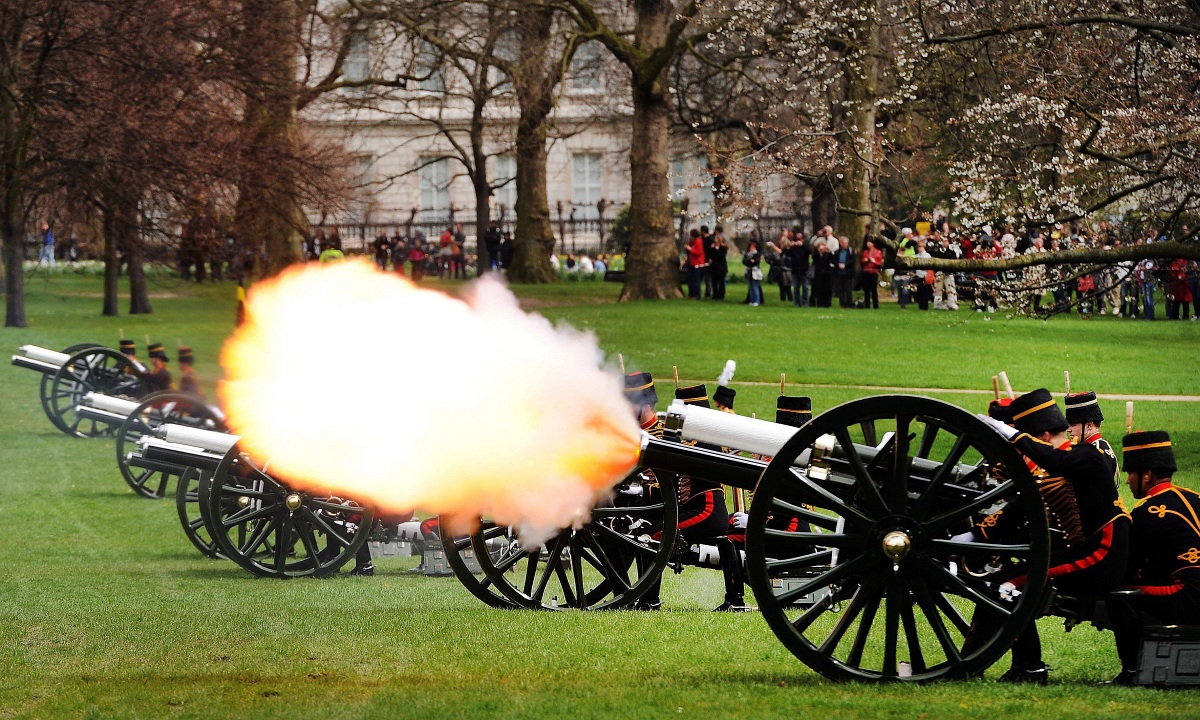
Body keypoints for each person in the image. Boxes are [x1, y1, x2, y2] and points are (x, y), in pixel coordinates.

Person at [972, 389, 1130, 684]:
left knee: (1009, 584)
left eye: (1031, 439)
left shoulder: (1089, 456)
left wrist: (1010, 433)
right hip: (1085, 552)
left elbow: (1056, 461)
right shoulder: (1064, 462)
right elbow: (1025, 504)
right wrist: (970, 535)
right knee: (1006, 578)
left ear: (1042, 436)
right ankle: (980, 661)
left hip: (1101, 556)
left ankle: (1029, 667)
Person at [1106, 431, 1200, 685]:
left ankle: (1132, 671)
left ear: (1146, 475)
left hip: (1190, 594)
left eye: (1130, 474)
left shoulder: (1148, 511)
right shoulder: (1194, 497)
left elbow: (1126, 567)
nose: (1127, 481)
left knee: (1119, 592)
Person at [1064, 391, 1119, 488]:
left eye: (1073, 424)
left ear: (1089, 425)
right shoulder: (1098, 447)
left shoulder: (1096, 452)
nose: (1068, 430)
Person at [788, 230, 812, 307]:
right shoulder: (793, 248)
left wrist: (802, 245)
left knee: (805, 287)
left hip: (804, 270)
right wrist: (790, 245)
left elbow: (810, 251)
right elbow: (786, 252)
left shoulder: (805, 247)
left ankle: (805, 303)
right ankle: (797, 303)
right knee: (796, 288)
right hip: (795, 270)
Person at [832, 236, 855, 308]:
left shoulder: (851, 251)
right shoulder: (837, 251)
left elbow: (853, 260)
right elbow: (833, 260)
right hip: (839, 272)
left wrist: (845, 265)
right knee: (840, 289)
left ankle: (849, 303)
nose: (844, 244)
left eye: (846, 243)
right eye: (843, 243)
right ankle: (842, 303)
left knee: (848, 289)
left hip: (847, 272)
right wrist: (838, 264)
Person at [859, 239, 883, 309]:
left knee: (873, 289)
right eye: (867, 242)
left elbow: (879, 263)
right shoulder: (865, 252)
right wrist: (865, 260)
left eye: (870, 243)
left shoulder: (878, 252)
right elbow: (862, 262)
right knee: (866, 289)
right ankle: (867, 305)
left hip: (874, 272)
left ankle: (876, 305)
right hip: (866, 271)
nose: (868, 244)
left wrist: (874, 261)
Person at [742, 239, 763, 306]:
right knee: (750, 287)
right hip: (749, 271)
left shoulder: (757, 254)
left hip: (755, 272)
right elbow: (745, 261)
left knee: (755, 287)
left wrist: (750, 261)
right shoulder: (748, 254)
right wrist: (749, 261)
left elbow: (755, 262)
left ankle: (757, 301)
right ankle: (751, 300)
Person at [685, 229, 705, 299]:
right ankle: (691, 294)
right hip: (692, 263)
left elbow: (697, 252)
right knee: (690, 279)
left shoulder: (698, 242)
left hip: (697, 264)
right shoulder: (692, 242)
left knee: (696, 280)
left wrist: (690, 249)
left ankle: (697, 295)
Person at [709, 228, 729, 301]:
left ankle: (721, 296)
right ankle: (715, 295)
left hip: (721, 267)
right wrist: (712, 249)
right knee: (714, 282)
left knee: (721, 282)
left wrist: (717, 249)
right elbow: (711, 255)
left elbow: (721, 256)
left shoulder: (723, 248)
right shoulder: (713, 247)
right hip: (714, 266)